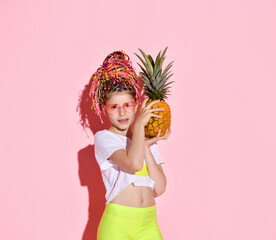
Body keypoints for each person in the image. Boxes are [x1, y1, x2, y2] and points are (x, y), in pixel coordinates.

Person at [89, 50, 171, 240]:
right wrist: (141, 126)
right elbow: (133, 163)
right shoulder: (104, 138)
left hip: (149, 224)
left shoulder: (144, 139)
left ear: (136, 105)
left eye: (127, 105)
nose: (122, 113)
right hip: (118, 225)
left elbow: (159, 188)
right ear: (104, 109)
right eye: (114, 107)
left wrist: (147, 146)